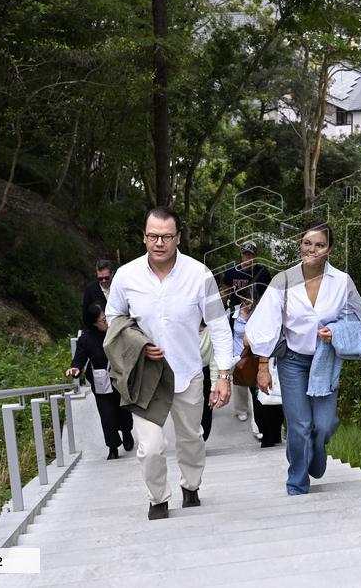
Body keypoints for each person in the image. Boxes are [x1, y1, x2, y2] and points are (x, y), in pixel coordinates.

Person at [105, 207, 234, 520]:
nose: (158, 242)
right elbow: (113, 317)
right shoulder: (126, 276)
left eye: (166, 236)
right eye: (152, 236)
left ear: (178, 238)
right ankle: (158, 499)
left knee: (191, 439)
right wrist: (139, 344)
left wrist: (223, 375)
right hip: (145, 378)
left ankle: (191, 485)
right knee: (150, 447)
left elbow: (218, 325)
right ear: (144, 236)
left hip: (187, 373)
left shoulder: (199, 275)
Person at [246, 222, 361, 495]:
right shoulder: (284, 280)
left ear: (329, 249)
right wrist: (263, 367)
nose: (312, 249)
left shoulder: (342, 281)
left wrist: (335, 332)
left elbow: (360, 318)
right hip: (292, 361)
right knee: (299, 425)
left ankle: (318, 448)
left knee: (323, 426)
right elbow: (264, 323)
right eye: (307, 243)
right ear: (300, 244)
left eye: (319, 245)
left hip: (325, 361)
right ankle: (297, 482)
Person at [66, 303, 133, 460]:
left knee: (123, 409)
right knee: (106, 414)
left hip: (119, 377)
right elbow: (79, 358)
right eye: (102, 320)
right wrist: (75, 369)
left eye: (105, 318)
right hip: (101, 381)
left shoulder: (116, 332)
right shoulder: (86, 339)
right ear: (93, 323)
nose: (106, 322)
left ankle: (127, 432)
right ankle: (113, 447)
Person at [220, 241, 271, 423]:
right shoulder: (232, 271)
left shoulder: (263, 273)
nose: (248, 257)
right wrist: (220, 309)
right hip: (235, 315)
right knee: (239, 364)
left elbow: (268, 296)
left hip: (257, 315)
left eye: (251, 254)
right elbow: (224, 291)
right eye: (245, 254)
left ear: (255, 255)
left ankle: (260, 404)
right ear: (241, 254)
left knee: (255, 361)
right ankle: (241, 408)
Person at [233, 288, 284, 448]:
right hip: (264, 361)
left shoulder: (261, 316)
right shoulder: (270, 314)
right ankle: (272, 434)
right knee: (268, 397)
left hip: (266, 361)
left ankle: (270, 435)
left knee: (263, 399)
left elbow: (248, 340)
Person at [81, 259, 115, 329]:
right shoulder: (90, 289)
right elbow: (86, 315)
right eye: (100, 278)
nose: (103, 281)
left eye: (106, 278)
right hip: (98, 331)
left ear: (112, 274)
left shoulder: (119, 286)